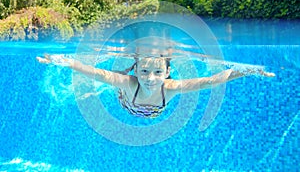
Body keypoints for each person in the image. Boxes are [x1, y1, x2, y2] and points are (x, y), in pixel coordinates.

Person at [36, 54, 275, 118]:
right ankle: (127, 67)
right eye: (144, 71)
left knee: (113, 78)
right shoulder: (130, 83)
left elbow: (211, 80)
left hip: (154, 112)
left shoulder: (171, 87)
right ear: (138, 71)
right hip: (127, 103)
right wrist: (64, 62)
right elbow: (95, 72)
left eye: (158, 71)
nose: (151, 78)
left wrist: (247, 71)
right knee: (113, 80)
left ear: (168, 72)